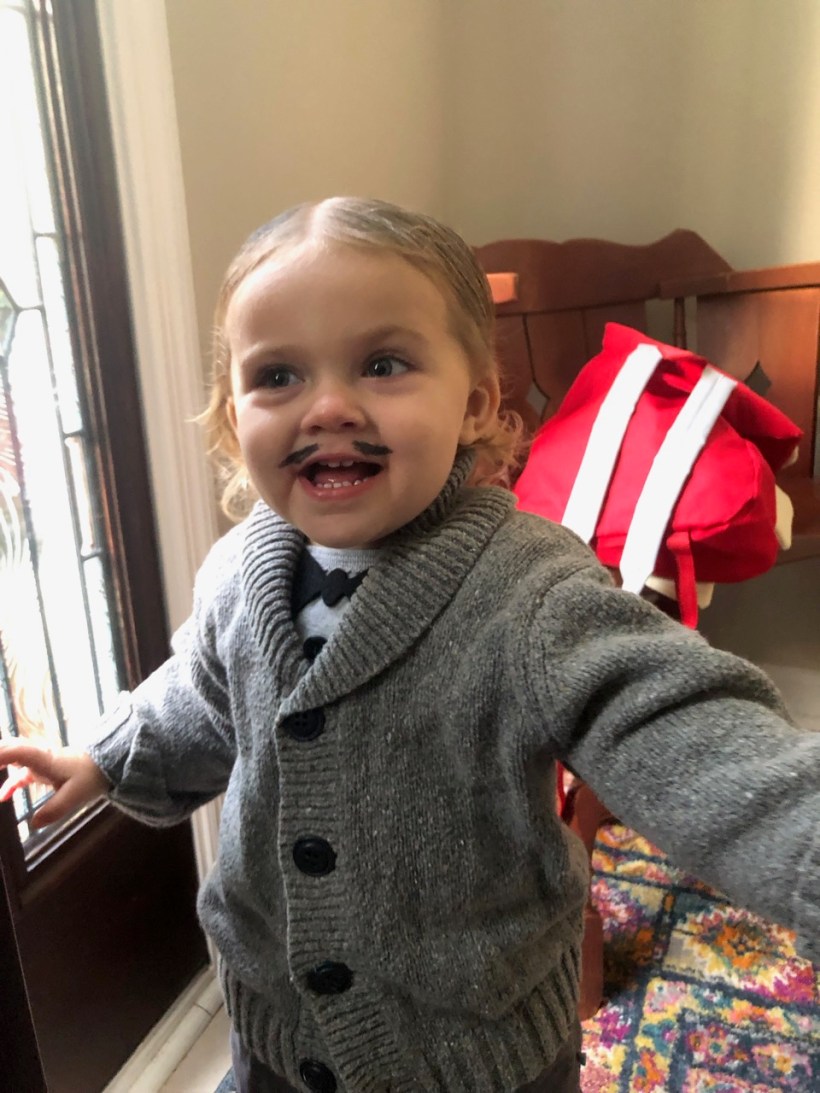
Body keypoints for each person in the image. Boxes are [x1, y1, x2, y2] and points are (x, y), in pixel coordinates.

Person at [0, 197, 817, 1093]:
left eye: (383, 364)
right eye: (278, 375)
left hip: (473, 1053)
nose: (328, 406)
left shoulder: (532, 593)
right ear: (235, 421)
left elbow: (677, 719)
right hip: (278, 1032)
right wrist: (106, 758)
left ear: (474, 403)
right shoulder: (237, 573)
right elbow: (201, 695)